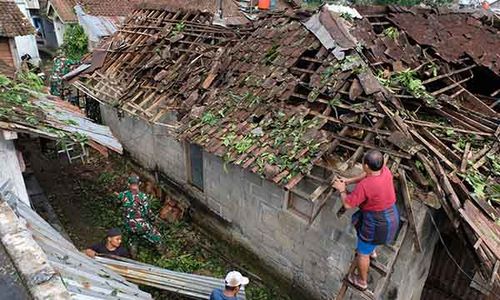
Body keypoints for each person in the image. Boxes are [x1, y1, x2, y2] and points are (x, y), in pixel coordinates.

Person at [332, 150, 400, 291]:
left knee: (362, 252)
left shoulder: (366, 186)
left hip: (377, 223)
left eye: (363, 163)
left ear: (367, 166)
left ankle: (362, 281)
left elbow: (348, 204)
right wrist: (349, 180)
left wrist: (342, 189)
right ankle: (372, 251)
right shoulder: (385, 171)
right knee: (361, 224)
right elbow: (366, 175)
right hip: (392, 215)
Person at [116, 175, 162, 245]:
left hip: (128, 225)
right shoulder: (142, 196)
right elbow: (148, 212)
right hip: (140, 224)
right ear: (139, 184)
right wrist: (154, 220)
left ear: (128, 184)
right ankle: (164, 253)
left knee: (133, 238)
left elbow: (117, 204)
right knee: (157, 237)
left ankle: (132, 251)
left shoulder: (122, 195)